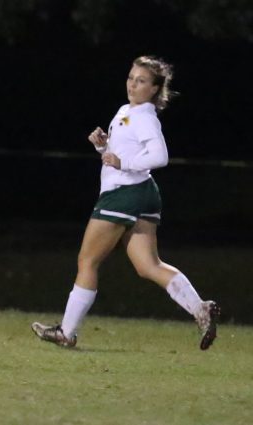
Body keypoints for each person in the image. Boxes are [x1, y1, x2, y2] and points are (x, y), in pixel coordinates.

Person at [31, 56, 220, 350]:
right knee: (149, 265)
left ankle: (66, 332)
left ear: (155, 89)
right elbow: (120, 156)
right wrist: (104, 146)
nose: (133, 84)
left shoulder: (144, 116)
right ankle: (200, 308)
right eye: (131, 78)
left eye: (141, 81)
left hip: (124, 193)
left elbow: (159, 157)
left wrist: (124, 162)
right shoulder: (127, 111)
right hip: (143, 193)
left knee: (87, 261)